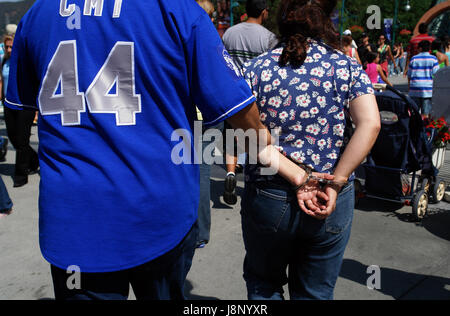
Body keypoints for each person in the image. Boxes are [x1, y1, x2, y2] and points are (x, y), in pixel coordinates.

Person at [5, 0, 332, 300]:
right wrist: (283, 161)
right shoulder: (175, 9)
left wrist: (25, 152)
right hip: (158, 212)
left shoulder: (39, 14)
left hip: (75, 217)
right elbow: (239, 114)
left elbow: (19, 113)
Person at [240, 0, 380, 300]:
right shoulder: (345, 66)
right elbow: (371, 124)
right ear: (326, 19)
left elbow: (244, 136)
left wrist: (296, 175)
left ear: (281, 20)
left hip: (270, 191)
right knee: (315, 292)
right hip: (330, 193)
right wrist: (338, 179)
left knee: (264, 285)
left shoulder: (256, 68)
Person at [221, 0, 277, 205]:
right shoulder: (269, 38)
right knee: (257, 136)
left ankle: (229, 173)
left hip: (232, 94)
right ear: (264, 12)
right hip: (256, 95)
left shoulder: (229, 33)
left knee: (231, 136)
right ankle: (257, 182)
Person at [194, 0, 218, 249]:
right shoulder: (210, 42)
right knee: (202, 173)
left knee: (184, 172)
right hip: (207, 117)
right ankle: (200, 232)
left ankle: (191, 229)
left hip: (184, 117)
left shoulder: (176, 39)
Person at [1, 34, 39, 188]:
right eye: (7, 47)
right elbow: (2, 80)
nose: (9, 49)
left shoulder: (24, 61)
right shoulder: (5, 61)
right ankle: (34, 159)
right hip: (8, 103)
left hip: (25, 104)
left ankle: (21, 174)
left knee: (22, 140)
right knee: (13, 137)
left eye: (11, 46)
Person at [407, 40, 440, 119]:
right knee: (426, 113)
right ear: (429, 49)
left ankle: (415, 129)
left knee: (414, 112)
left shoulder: (414, 58)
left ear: (420, 48)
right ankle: (424, 129)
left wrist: (409, 88)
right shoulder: (433, 59)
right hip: (427, 90)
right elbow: (436, 75)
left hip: (415, 89)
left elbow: (409, 75)